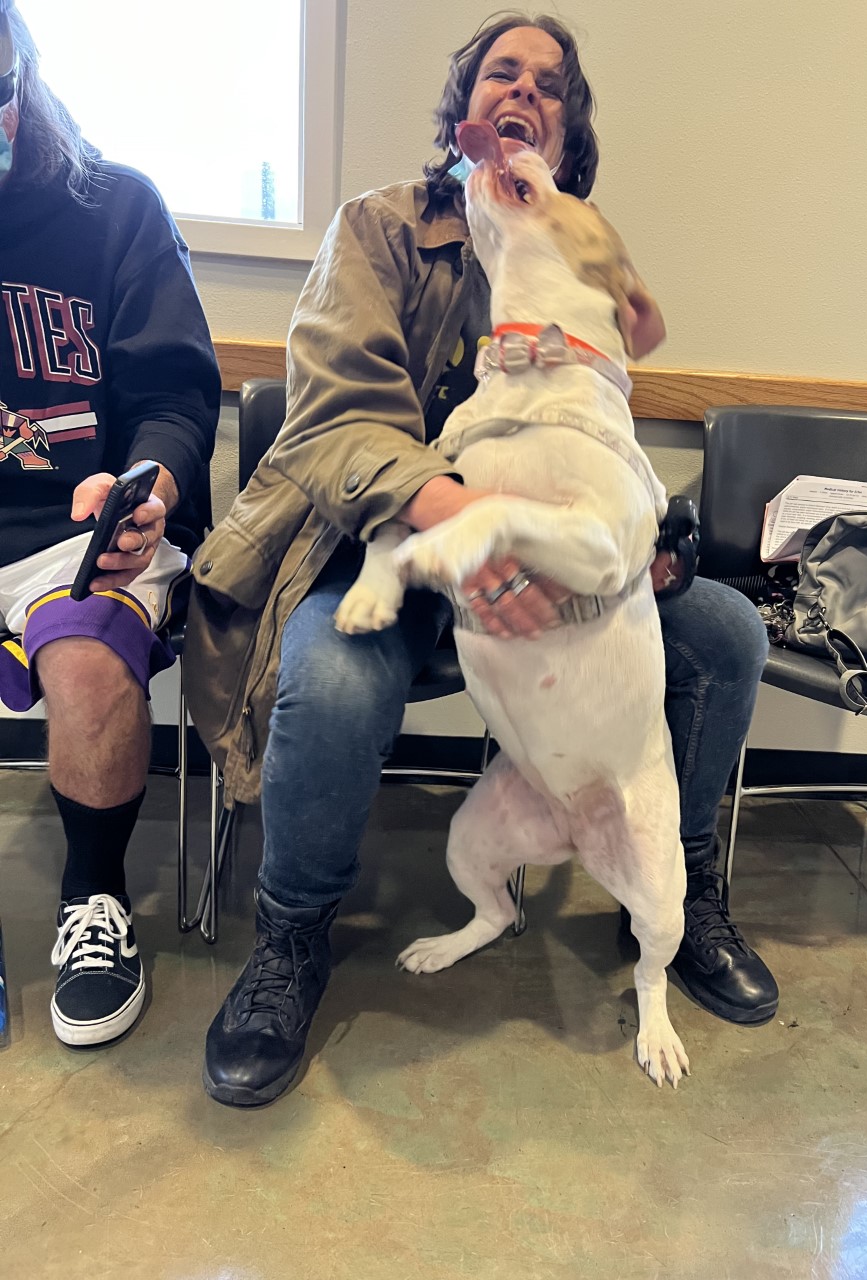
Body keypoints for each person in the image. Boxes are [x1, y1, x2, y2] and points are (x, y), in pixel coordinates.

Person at [185, 11, 777, 1109]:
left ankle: (679, 892)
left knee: (729, 635)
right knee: (331, 669)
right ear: (467, 111)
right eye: (502, 71)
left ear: (565, 131)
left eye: (548, 84)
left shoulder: (578, 249)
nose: (525, 90)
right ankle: (292, 936)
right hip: (389, 547)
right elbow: (330, 426)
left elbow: (610, 434)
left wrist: (656, 538)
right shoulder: (376, 229)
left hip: (552, 574)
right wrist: (461, 516)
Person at [0, 3, 220, 1046]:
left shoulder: (115, 207)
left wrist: (149, 490)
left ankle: (97, 896)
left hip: (79, 525)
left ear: (26, 82)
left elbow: (177, 399)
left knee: (87, 654)